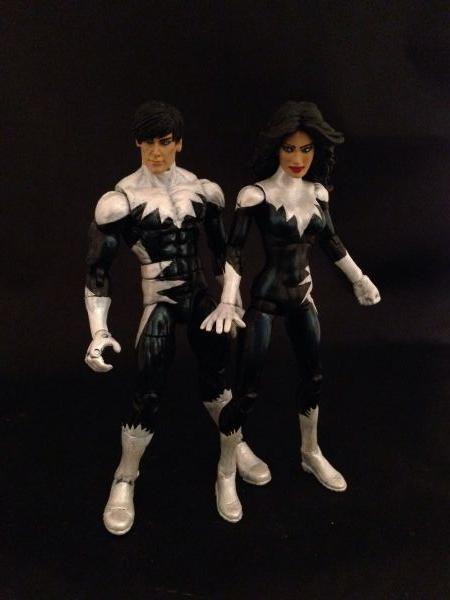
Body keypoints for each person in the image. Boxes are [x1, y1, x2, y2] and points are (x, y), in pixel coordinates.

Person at [84, 101, 270, 534]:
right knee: (147, 388)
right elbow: (97, 271)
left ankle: (236, 444)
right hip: (160, 301)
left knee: (218, 378)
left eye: (164, 142)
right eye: (148, 142)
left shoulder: (202, 191)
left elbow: (224, 252)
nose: (156, 151)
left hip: (201, 297)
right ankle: (125, 476)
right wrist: (99, 331)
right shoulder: (121, 200)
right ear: (137, 143)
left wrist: (230, 300)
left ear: (178, 143)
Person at [201, 100, 381, 520]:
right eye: (289, 148)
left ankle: (310, 452)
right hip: (265, 298)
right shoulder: (256, 195)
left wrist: (359, 279)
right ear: (275, 149)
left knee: (313, 377)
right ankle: (226, 470)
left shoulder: (318, 194)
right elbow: (234, 250)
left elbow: (331, 242)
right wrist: (228, 297)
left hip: (302, 296)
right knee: (247, 387)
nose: (298, 158)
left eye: (306, 149)